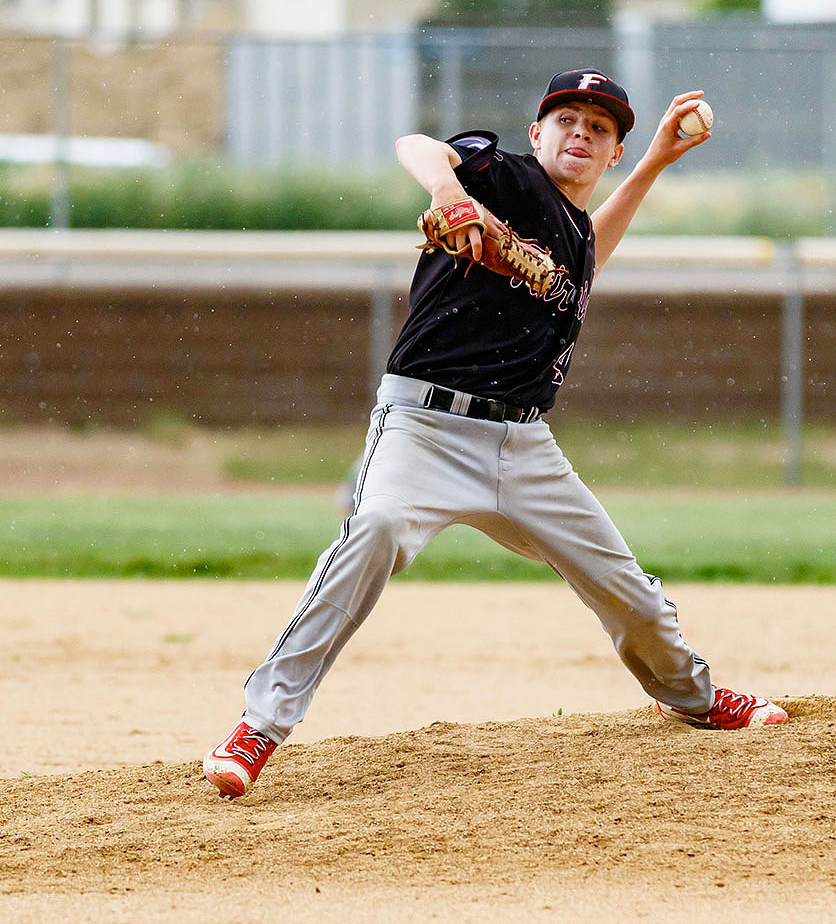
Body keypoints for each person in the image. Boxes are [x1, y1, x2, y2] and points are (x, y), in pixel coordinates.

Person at [203, 68, 787, 800]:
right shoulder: (503, 179)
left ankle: (691, 696)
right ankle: (260, 724)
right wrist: (449, 195)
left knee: (627, 589)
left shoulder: (573, 233)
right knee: (376, 527)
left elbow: (584, 259)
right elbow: (416, 145)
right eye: (566, 120)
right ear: (537, 133)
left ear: (611, 153)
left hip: (523, 445)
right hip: (425, 425)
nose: (581, 133)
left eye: (599, 128)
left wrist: (654, 165)